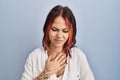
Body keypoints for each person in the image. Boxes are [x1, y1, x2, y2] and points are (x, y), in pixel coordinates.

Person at [21, 5, 95, 80]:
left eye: (65, 31)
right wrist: (46, 73)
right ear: (47, 29)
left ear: (71, 33)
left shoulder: (78, 56)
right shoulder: (34, 57)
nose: (59, 35)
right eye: (54, 29)